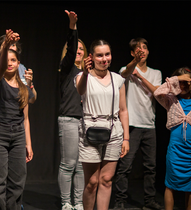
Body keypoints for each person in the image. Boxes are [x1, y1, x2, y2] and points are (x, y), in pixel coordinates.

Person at [0, 34, 37, 210]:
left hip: (18, 133)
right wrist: (5, 45)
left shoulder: (21, 84)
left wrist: (30, 84)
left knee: (17, 181)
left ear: (19, 63)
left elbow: (31, 104)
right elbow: (0, 63)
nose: (10, 62)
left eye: (14, 59)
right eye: (7, 59)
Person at [75, 39, 129, 210]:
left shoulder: (118, 79)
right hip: (90, 130)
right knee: (92, 182)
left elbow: (123, 110)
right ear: (91, 57)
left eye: (107, 54)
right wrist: (85, 72)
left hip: (113, 132)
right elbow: (80, 90)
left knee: (106, 180)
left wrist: (126, 138)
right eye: (99, 55)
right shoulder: (83, 77)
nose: (104, 59)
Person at [113, 38, 163, 210]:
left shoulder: (156, 73)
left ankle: (149, 201)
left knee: (150, 167)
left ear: (148, 51)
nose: (142, 50)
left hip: (149, 125)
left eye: (144, 47)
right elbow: (124, 73)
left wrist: (140, 76)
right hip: (132, 125)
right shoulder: (126, 70)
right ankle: (119, 201)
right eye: (138, 49)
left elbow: (158, 93)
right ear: (133, 53)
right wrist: (134, 64)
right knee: (125, 166)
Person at [58, 10, 87, 210]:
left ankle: (78, 203)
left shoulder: (89, 74)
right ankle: (66, 203)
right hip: (69, 120)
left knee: (81, 166)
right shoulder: (67, 69)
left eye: (82, 49)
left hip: (86, 122)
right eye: (76, 49)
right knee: (68, 164)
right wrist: (73, 26)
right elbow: (71, 48)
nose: (78, 51)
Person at [154, 67, 191, 210]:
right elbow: (157, 92)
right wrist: (177, 80)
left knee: (190, 187)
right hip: (176, 149)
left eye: (187, 82)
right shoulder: (171, 100)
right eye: (181, 82)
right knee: (170, 184)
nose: (184, 85)